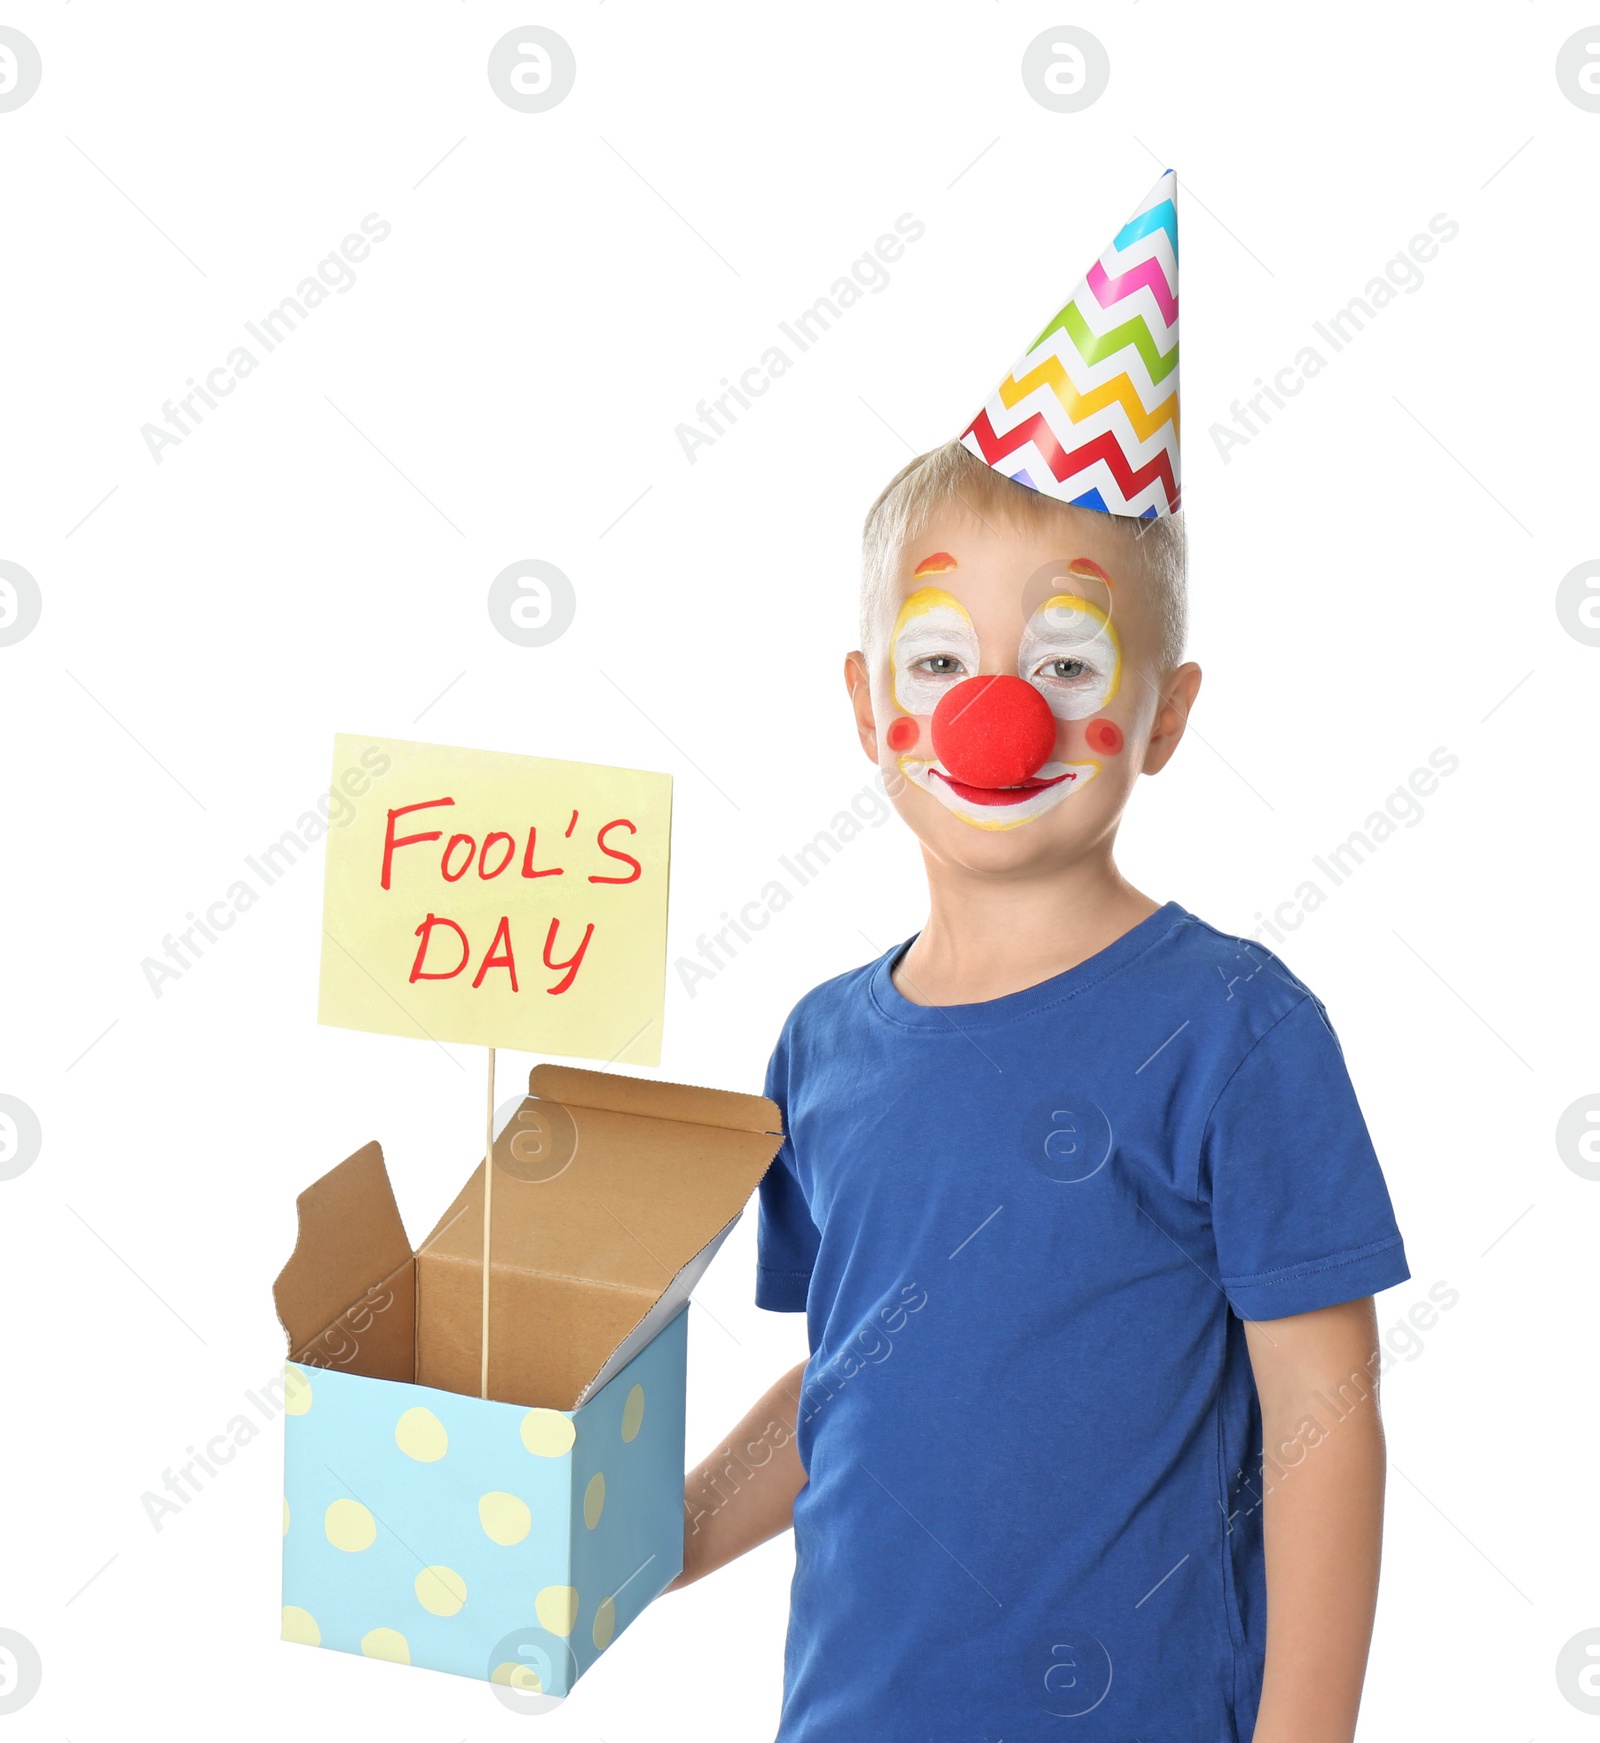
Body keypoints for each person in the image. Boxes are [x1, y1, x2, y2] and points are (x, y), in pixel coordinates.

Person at [670, 173, 1408, 1743]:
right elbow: (845, 1397)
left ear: (1167, 712)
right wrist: (647, 1545)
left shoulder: (1236, 1030)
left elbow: (1323, 1425)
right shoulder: (820, 1047)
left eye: (1065, 662)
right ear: (873, 709)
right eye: (942, 663)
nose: (997, 713)